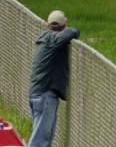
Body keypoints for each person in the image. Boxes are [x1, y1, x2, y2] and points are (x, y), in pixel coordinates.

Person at [27, 10, 80, 147]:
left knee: (45, 137)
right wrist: (71, 29)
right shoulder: (53, 39)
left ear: (48, 24)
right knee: (40, 141)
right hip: (45, 95)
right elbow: (73, 32)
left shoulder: (45, 38)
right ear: (64, 25)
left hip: (39, 94)